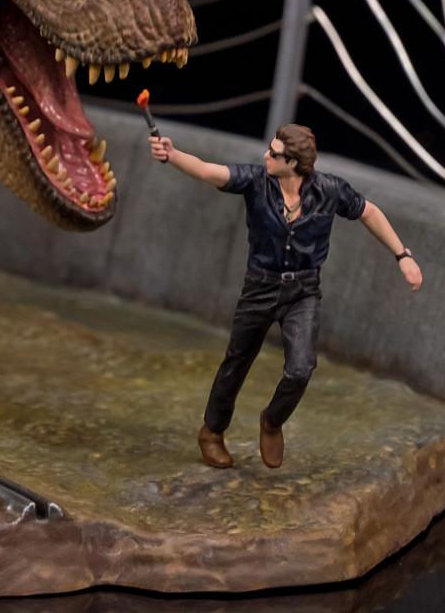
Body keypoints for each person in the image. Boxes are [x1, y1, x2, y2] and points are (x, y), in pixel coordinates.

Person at [148, 124, 423, 469]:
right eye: (269, 148)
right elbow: (207, 170)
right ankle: (212, 432)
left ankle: (272, 420)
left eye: (274, 153)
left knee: (301, 368)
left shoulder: (330, 190)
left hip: (303, 292)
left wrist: (402, 255)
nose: (266, 155)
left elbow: (368, 212)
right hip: (260, 286)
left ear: (293, 163)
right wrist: (172, 155)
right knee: (237, 361)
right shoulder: (255, 181)